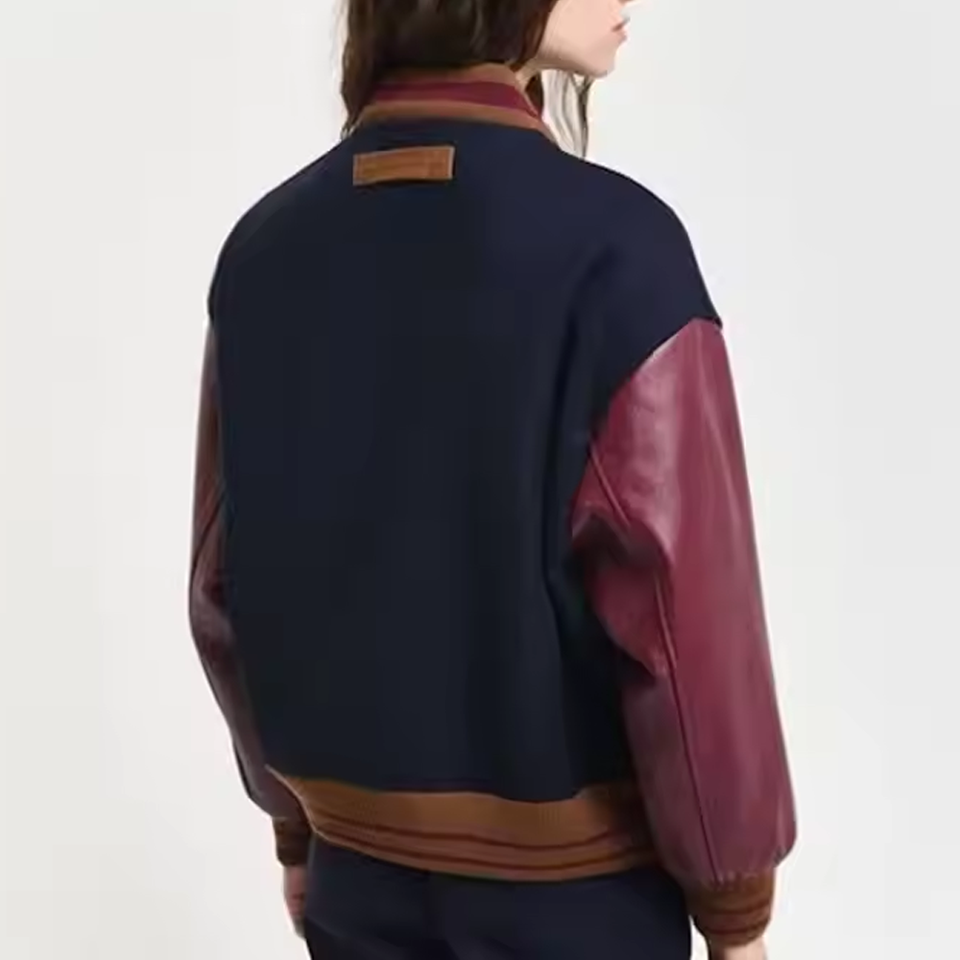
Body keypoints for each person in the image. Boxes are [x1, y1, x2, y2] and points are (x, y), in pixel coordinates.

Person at [187, 1, 797, 958]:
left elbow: (221, 585)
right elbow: (684, 617)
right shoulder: (621, 251)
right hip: (576, 908)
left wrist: (297, 831)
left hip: (354, 883)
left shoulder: (260, 252)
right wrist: (736, 909)